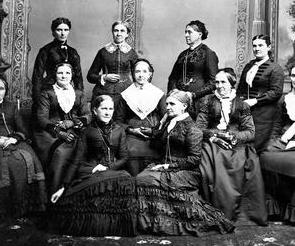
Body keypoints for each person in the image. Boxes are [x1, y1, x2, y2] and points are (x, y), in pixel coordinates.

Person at [135, 89, 234, 236]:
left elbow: (194, 160)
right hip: (164, 166)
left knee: (146, 179)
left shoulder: (192, 128)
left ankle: (168, 224)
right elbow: (157, 140)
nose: (168, 107)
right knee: (140, 178)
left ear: (184, 106)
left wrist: (169, 166)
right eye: (167, 103)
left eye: (172, 104)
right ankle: (153, 224)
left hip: (186, 171)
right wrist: (161, 124)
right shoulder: (170, 123)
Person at [50, 95, 137, 236]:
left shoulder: (119, 130)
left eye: (111, 109)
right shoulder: (87, 132)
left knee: (127, 181)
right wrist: (63, 187)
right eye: (104, 109)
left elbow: (124, 157)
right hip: (91, 170)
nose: (108, 112)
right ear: (95, 111)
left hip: (112, 170)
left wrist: (108, 167)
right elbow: (76, 161)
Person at [196, 68, 267, 226]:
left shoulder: (241, 104)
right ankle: (215, 212)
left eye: (223, 82)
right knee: (210, 162)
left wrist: (234, 136)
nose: (220, 85)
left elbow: (250, 132)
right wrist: (215, 134)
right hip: (212, 141)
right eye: (217, 82)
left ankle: (237, 214)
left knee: (242, 162)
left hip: (237, 145)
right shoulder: (207, 101)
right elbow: (198, 128)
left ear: (231, 84)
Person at [0, 74, 46, 222]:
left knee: (30, 157)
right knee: (6, 163)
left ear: (5, 91)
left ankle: (26, 206)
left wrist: (13, 138)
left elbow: (23, 130)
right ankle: (2, 208)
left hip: (12, 140)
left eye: (1, 88)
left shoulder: (11, 106)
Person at [33, 63, 91, 193]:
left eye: (67, 73)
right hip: (50, 132)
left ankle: (77, 194)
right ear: (55, 75)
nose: (64, 76)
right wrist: (60, 133)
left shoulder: (79, 93)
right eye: (60, 73)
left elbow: (88, 115)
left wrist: (72, 122)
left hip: (75, 129)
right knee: (60, 153)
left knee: (86, 150)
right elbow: (41, 118)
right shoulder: (47, 93)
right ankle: (55, 193)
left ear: (72, 75)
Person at [114, 59, 166, 175]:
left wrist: (154, 131)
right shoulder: (125, 95)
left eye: (144, 71)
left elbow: (165, 118)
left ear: (149, 74)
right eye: (137, 71)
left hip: (154, 135)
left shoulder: (158, 94)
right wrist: (131, 130)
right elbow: (118, 121)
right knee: (130, 152)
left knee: (158, 152)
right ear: (133, 74)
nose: (141, 75)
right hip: (132, 135)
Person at [260, 64, 295, 223]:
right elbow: (277, 125)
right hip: (285, 138)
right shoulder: (285, 98)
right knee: (266, 155)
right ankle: (273, 207)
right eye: (294, 76)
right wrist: (274, 141)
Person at [237, 34, 284, 153]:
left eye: (261, 45)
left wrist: (255, 100)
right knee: (241, 147)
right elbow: (241, 89)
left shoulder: (275, 68)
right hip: (246, 113)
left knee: (255, 149)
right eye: (254, 46)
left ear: (268, 47)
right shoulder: (249, 66)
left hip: (264, 116)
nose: (257, 48)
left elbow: (276, 92)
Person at [167, 20, 219, 117]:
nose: (186, 35)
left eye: (189, 32)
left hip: (199, 102)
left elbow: (213, 82)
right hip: (179, 101)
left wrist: (193, 94)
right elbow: (172, 77)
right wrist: (173, 91)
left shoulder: (208, 54)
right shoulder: (182, 55)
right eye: (185, 32)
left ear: (199, 34)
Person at [32, 17, 84, 113]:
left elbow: (78, 77)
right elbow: (37, 77)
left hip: (68, 92)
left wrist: (79, 96)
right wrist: (38, 99)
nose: (63, 33)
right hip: (50, 91)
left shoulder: (73, 52)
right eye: (59, 30)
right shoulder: (45, 50)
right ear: (53, 32)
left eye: (66, 30)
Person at [87, 20, 138, 109]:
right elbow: (90, 76)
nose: (118, 34)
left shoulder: (132, 53)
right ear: (112, 32)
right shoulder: (103, 52)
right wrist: (104, 77)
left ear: (127, 34)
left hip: (125, 93)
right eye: (116, 30)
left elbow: (138, 75)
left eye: (122, 31)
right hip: (103, 92)